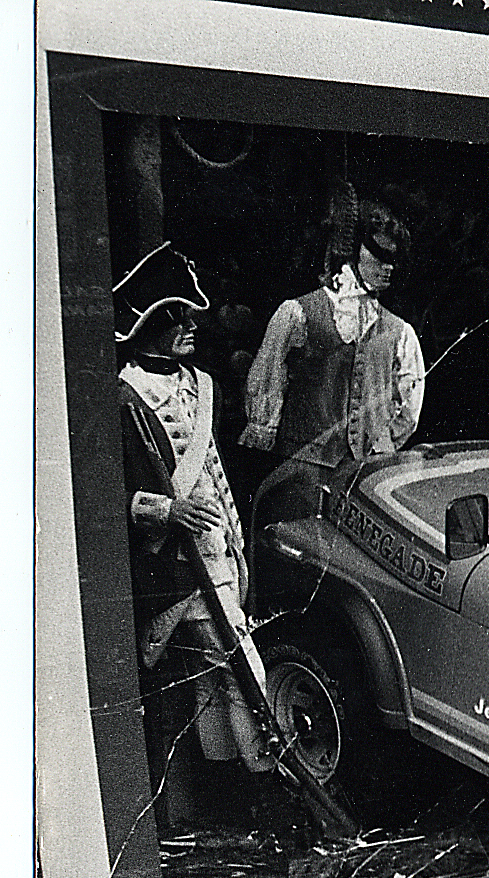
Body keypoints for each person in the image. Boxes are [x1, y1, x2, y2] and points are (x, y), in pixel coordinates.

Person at [117, 243, 275, 776]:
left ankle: (229, 782)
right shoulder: (126, 396)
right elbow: (108, 497)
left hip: (219, 553)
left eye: (189, 314)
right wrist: (165, 511)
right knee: (239, 669)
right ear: (149, 323)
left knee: (216, 675)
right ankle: (264, 781)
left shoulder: (201, 386)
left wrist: (233, 539)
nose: (190, 323)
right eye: (177, 315)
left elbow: (214, 473)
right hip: (178, 568)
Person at [240, 202, 425, 525]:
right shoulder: (298, 313)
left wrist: (381, 445)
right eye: (379, 255)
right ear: (354, 252)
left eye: (394, 260)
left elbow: (409, 406)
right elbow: (267, 378)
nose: (388, 268)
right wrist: (264, 431)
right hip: (300, 470)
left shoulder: (400, 332)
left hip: (361, 479)